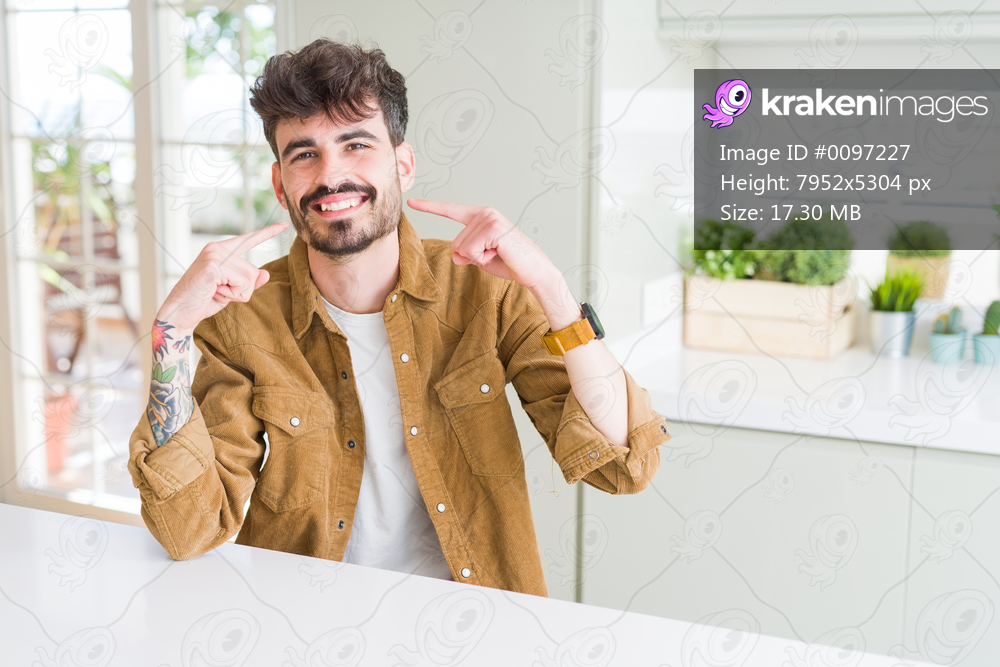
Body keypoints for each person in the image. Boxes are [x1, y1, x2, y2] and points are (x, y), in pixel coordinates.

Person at [128, 38, 669, 596]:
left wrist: (553, 292)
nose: (331, 176)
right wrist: (171, 334)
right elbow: (188, 529)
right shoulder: (242, 320)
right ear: (280, 183)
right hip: (301, 624)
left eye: (356, 144)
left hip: (474, 622)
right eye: (304, 153)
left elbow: (623, 467)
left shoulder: (487, 293)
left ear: (403, 165)